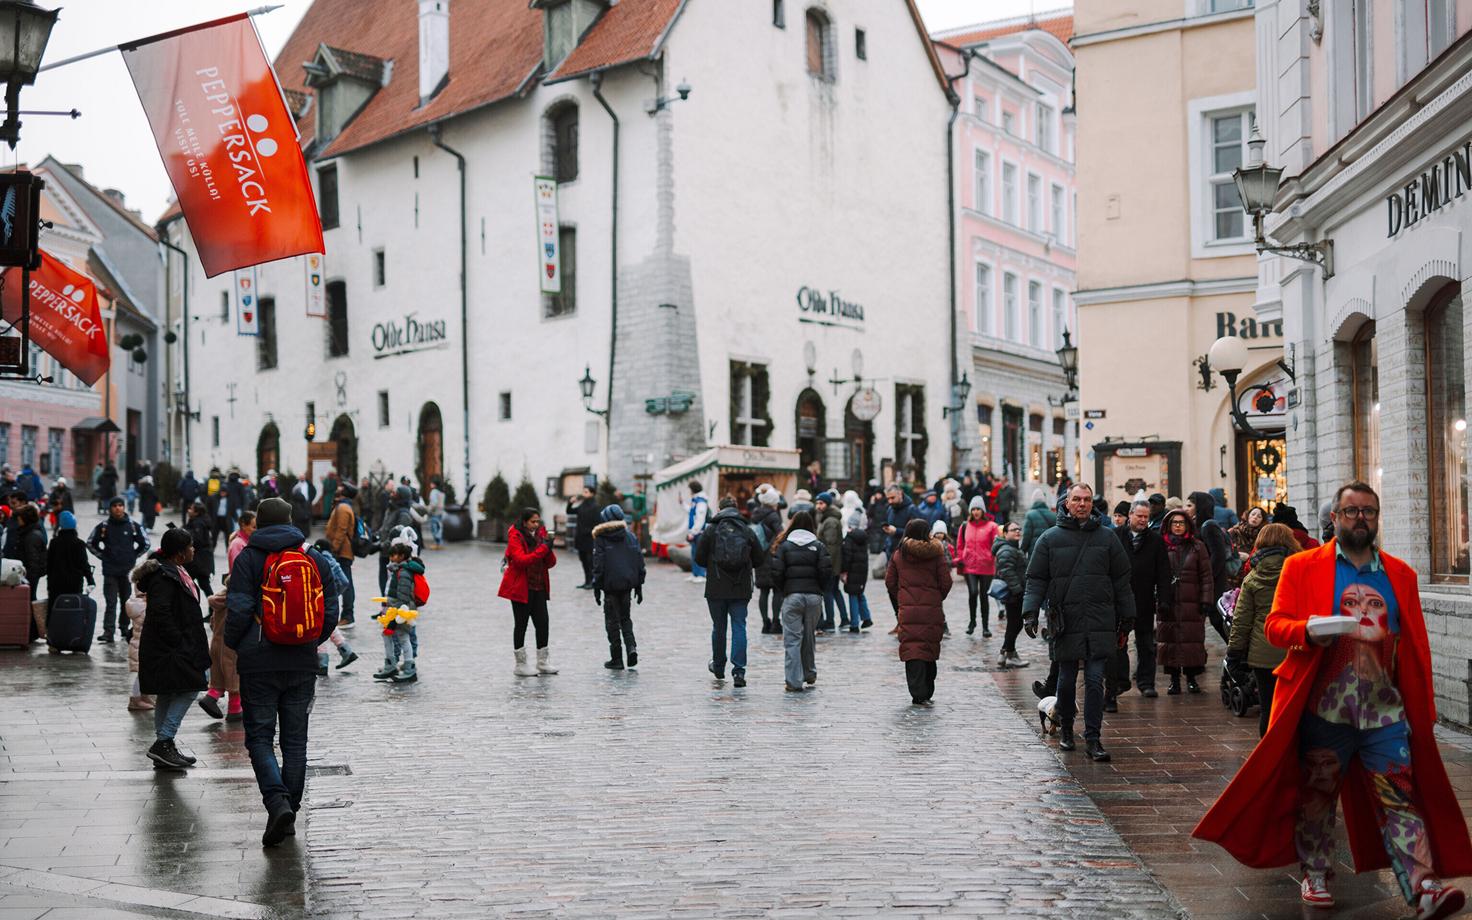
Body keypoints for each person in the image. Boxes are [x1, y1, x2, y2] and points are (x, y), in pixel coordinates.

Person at [1194, 482, 1472, 918]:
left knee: (1399, 797)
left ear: (1377, 518)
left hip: (1385, 712)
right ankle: (1317, 872)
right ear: (1335, 519)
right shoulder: (1302, 567)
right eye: (1351, 511)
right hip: (1324, 710)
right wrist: (1307, 630)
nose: (1360, 518)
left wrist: (1424, 709)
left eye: (1368, 511)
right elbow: (1275, 626)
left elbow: (1415, 646)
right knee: (1317, 797)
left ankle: (1422, 886)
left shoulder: (1401, 575)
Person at [224, 496, 340, 846]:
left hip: (259, 662)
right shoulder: (312, 556)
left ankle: (277, 804)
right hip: (302, 661)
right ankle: (290, 810)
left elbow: (238, 609)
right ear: (291, 521)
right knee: (295, 741)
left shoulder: (248, 558)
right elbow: (331, 609)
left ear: (258, 522)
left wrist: (237, 644)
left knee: (259, 738)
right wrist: (310, 640)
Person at [1022, 483, 1134, 763]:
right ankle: (1067, 728)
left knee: (1095, 680)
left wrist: (1127, 616)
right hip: (1066, 620)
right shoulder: (1049, 539)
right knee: (1067, 678)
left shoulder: (1107, 537)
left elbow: (1122, 581)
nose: (1082, 504)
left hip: (1100, 618)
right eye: (1077, 499)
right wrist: (1030, 612)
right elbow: (1036, 579)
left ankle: (1093, 738)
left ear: (1092, 503)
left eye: (1086, 499)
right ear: (1067, 503)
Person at [137, 527, 211, 770]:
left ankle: (164, 748)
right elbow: (161, 612)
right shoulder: (164, 576)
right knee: (191, 687)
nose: (193, 550)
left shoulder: (175, 570)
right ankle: (164, 741)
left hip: (171, 645)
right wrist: (178, 640)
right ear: (180, 553)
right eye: (190, 546)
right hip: (170, 648)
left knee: (168, 692)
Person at [1226, 523, 1299, 736]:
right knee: (1294, 708)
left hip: (1262, 654)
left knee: (1268, 707)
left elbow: (1241, 622)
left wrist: (1234, 654)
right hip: (1294, 650)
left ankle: (1268, 751)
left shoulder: (1252, 578)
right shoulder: (1298, 572)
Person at [695, 496, 764, 687]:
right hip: (741, 586)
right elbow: (759, 559)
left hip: (716, 586)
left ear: (719, 509)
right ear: (736, 508)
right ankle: (739, 672)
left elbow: (699, 558)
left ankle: (718, 666)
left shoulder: (711, 529)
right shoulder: (747, 529)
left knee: (719, 627)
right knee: (739, 626)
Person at [887, 518, 952, 705]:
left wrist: (903, 597)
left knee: (912, 648)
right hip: (932, 609)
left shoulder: (899, 554)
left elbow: (890, 582)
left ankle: (917, 692)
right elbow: (946, 582)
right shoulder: (936, 553)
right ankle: (927, 691)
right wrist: (936, 597)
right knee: (929, 647)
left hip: (908, 610)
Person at [768, 509, 831, 693]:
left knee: (792, 640)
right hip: (813, 597)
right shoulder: (818, 546)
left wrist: (785, 589)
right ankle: (809, 673)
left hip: (792, 596)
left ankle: (794, 681)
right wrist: (819, 589)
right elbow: (826, 571)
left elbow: (776, 572)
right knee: (809, 636)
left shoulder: (785, 546)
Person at [1117, 501, 1170, 699]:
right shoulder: (1116, 536)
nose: (1142, 520)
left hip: (1144, 599)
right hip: (1120, 600)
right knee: (1119, 643)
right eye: (1139, 516)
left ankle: (1146, 682)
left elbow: (1163, 572)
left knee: (1146, 644)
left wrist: (1164, 599)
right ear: (1130, 515)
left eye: (1146, 517)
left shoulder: (1155, 540)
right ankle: (1120, 681)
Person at [1158, 508, 1212, 696]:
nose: (1178, 526)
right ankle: (1173, 680)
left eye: (1181, 522)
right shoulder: (1162, 546)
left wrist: (1206, 599)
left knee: (1192, 641)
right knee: (1170, 640)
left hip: (1192, 601)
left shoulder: (1198, 547)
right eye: (1175, 522)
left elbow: (1206, 575)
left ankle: (1191, 678)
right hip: (1169, 601)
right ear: (1169, 525)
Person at [497, 508, 557, 677]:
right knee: (521, 624)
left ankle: (542, 662)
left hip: (539, 586)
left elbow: (551, 563)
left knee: (543, 623)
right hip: (521, 587)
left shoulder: (540, 536)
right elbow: (521, 561)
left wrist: (549, 547)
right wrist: (543, 549)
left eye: (538, 521)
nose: (536, 525)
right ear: (524, 522)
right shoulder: (515, 537)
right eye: (533, 522)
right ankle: (520, 665)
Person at [591, 504, 645, 671]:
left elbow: (599, 565)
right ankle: (631, 647)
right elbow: (639, 562)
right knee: (625, 618)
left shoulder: (601, 538)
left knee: (612, 621)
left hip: (610, 586)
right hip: (627, 585)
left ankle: (617, 658)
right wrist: (639, 585)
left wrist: (596, 586)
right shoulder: (630, 536)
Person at [87, 497, 149, 643]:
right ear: (110, 508)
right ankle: (108, 632)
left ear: (124, 507)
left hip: (127, 572)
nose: (118, 508)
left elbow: (145, 544)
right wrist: (103, 556)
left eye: (120, 505)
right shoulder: (104, 526)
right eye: (115, 505)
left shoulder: (133, 525)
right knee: (111, 602)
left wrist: (133, 556)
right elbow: (90, 543)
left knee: (126, 602)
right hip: (110, 571)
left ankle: (124, 629)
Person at [1187, 490, 1232, 639]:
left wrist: (1207, 577)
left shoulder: (1209, 526)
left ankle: (1239, 651)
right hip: (1209, 583)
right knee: (1216, 619)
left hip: (1215, 583)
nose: (1186, 508)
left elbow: (1218, 555)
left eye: (1189, 505)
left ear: (1200, 507)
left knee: (1219, 619)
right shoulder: (1197, 525)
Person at [373, 542, 420, 683]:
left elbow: (403, 597)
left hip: (401, 611)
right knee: (388, 635)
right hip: (394, 609)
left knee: (403, 637)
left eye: (394, 555)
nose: (391, 557)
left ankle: (409, 668)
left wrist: (395, 617)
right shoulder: (399, 569)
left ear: (402, 556)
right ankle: (391, 665)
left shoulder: (403, 572)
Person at [954, 497, 1000, 637]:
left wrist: (991, 557)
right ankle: (972, 621)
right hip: (970, 566)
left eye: (978, 509)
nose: (975, 512)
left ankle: (985, 626)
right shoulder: (965, 526)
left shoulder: (992, 526)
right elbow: (960, 545)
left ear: (983, 510)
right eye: (973, 509)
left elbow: (997, 545)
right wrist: (962, 557)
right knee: (973, 593)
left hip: (986, 566)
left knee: (984, 596)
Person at [992, 521, 1029, 669]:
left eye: (1019, 529)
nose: (1017, 531)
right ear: (1005, 534)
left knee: (1014, 624)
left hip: (1015, 592)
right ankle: (1009, 654)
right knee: (1016, 623)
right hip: (1014, 594)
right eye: (1013, 530)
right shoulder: (1006, 550)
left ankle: (1005, 654)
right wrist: (1018, 590)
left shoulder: (1012, 548)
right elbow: (1007, 571)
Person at [323, 483, 361, 626]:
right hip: (341, 551)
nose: (338, 488)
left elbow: (341, 530)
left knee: (346, 583)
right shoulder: (342, 505)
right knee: (345, 582)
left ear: (344, 492)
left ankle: (348, 616)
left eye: (341, 488)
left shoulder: (344, 508)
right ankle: (346, 615)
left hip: (342, 552)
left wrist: (333, 548)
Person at [44, 510, 92, 620]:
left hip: (56, 583)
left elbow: (49, 565)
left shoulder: (54, 543)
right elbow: (84, 564)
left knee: (55, 610)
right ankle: (72, 627)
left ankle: (54, 628)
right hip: (74, 583)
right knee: (73, 609)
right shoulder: (79, 543)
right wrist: (90, 581)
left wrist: (49, 584)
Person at [751, 488, 784, 634]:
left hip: (760, 555)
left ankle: (765, 623)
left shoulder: (756, 513)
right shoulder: (773, 516)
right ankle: (776, 622)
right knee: (777, 591)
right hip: (772, 556)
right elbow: (780, 534)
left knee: (763, 591)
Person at [376, 485, 419, 594]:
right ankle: (384, 603)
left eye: (395, 492)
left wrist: (382, 546)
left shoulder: (404, 514)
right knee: (383, 581)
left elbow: (399, 537)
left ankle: (390, 603)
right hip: (384, 552)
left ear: (401, 496)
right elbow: (384, 528)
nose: (392, 493)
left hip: (394, 555)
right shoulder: (391, 509)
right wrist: (375, 537)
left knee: (391, 583)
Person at [813, 492, 844, 634]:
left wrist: (826, 564)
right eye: (817, 503)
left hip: (831, 562)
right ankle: (844, 618)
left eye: (821, 503)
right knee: (834, 591)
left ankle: (830, 621)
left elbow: (830, 545)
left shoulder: (830, 521)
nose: (818, 506)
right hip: (831, 562)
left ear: (827, 504)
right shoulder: (824, 518)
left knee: (828, 592)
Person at [839, 512, 872, 632]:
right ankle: (866, 618)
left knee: (852, 595)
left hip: (852, 571)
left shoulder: (849, 538)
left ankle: (854, 624)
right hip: (862, 571)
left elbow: (847, 557)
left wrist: (844, 571)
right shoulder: (863, 537)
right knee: (859, 593)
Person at [568, 485, 600, 588]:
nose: (583, 494)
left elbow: (598, 522)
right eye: (583, 491)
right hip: (580, 537)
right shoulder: (582, 505)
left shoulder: (595, 506)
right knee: (583, 560)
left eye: (586, 492)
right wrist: (570, 503)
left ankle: (592, 582)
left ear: (592, 493)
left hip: (589, 538)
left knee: (590, 561)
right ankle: (587, 581)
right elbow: (569, 511)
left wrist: (591, 532)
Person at [183, 501, 215, 594]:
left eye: (191, 509)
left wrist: (185, 536)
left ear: (196, 513)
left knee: (187, 582)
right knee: (203, 584)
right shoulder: (197, 521)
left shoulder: (199, 523)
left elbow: (197, 540)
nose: (188, 510)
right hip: (201, 561)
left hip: (198, 561)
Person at [882, 485, 921, 559]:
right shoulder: (890, 509)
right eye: (888, 498)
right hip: (891, 552)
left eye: (892, 498)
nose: (890, 501)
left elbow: (916, 532)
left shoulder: (911, 509)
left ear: (900, 494)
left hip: (906, 553)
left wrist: (896, 531)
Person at [685, 480, 709, 584]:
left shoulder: (701, 501)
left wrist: (693, 532)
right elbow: (691, 511)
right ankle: (695, 573)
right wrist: (682, 504)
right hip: (696, 532)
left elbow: (700, 519)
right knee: (694, 553)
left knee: (700, 554)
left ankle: (701, 574)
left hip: (700, 532)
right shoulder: (696, 500)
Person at [1020, 489, 1052, 554]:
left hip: (1034, 551)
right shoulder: (1053, 515)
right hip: (1049, 550)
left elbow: (1027, 536)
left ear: (1033, 501)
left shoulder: (1030, 515)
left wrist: (1023, 550)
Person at [426, 477, 447, 550]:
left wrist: (428, 509)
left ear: (434, 484)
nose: (430, 484)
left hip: (435, 512)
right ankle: (440, 544)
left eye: (431, 483)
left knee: (434, 528)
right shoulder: (442, 492)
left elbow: (434, 503)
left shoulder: (434, 491)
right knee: (439, 528)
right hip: (440, 512)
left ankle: (437, 543)